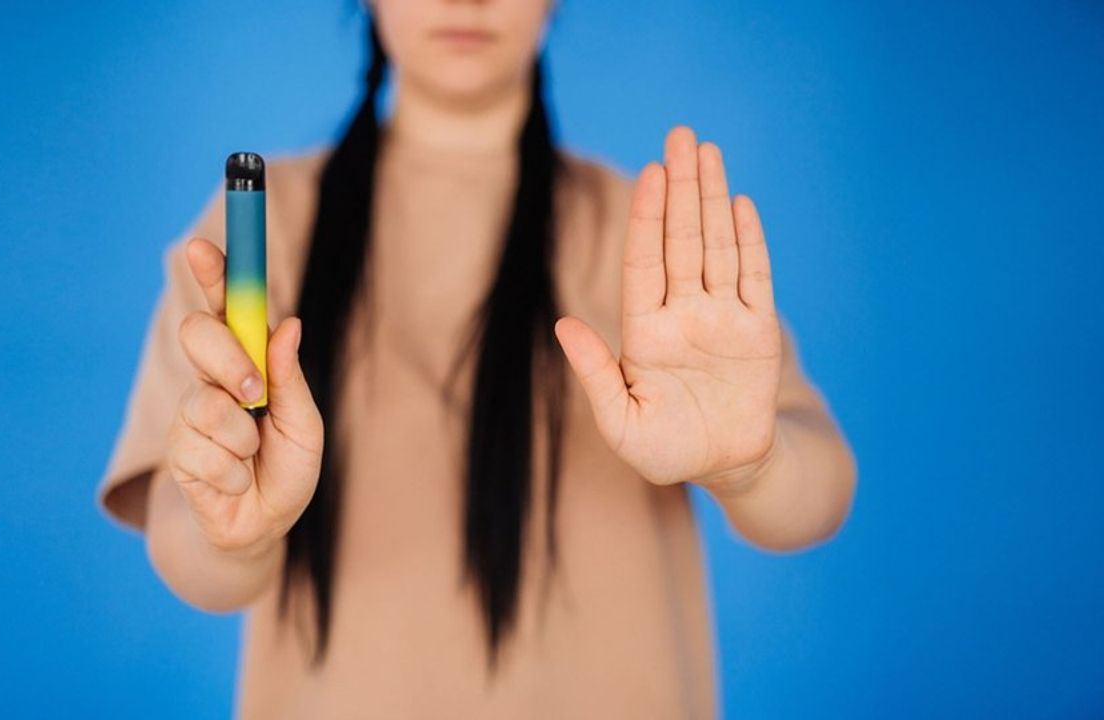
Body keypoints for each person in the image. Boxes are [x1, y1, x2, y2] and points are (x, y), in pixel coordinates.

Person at [96, 1, 856, 716]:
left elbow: (817, 493)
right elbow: (190, 546)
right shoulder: (265, 231)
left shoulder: (652, 236)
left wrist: (749, 467)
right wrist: (234, 531)